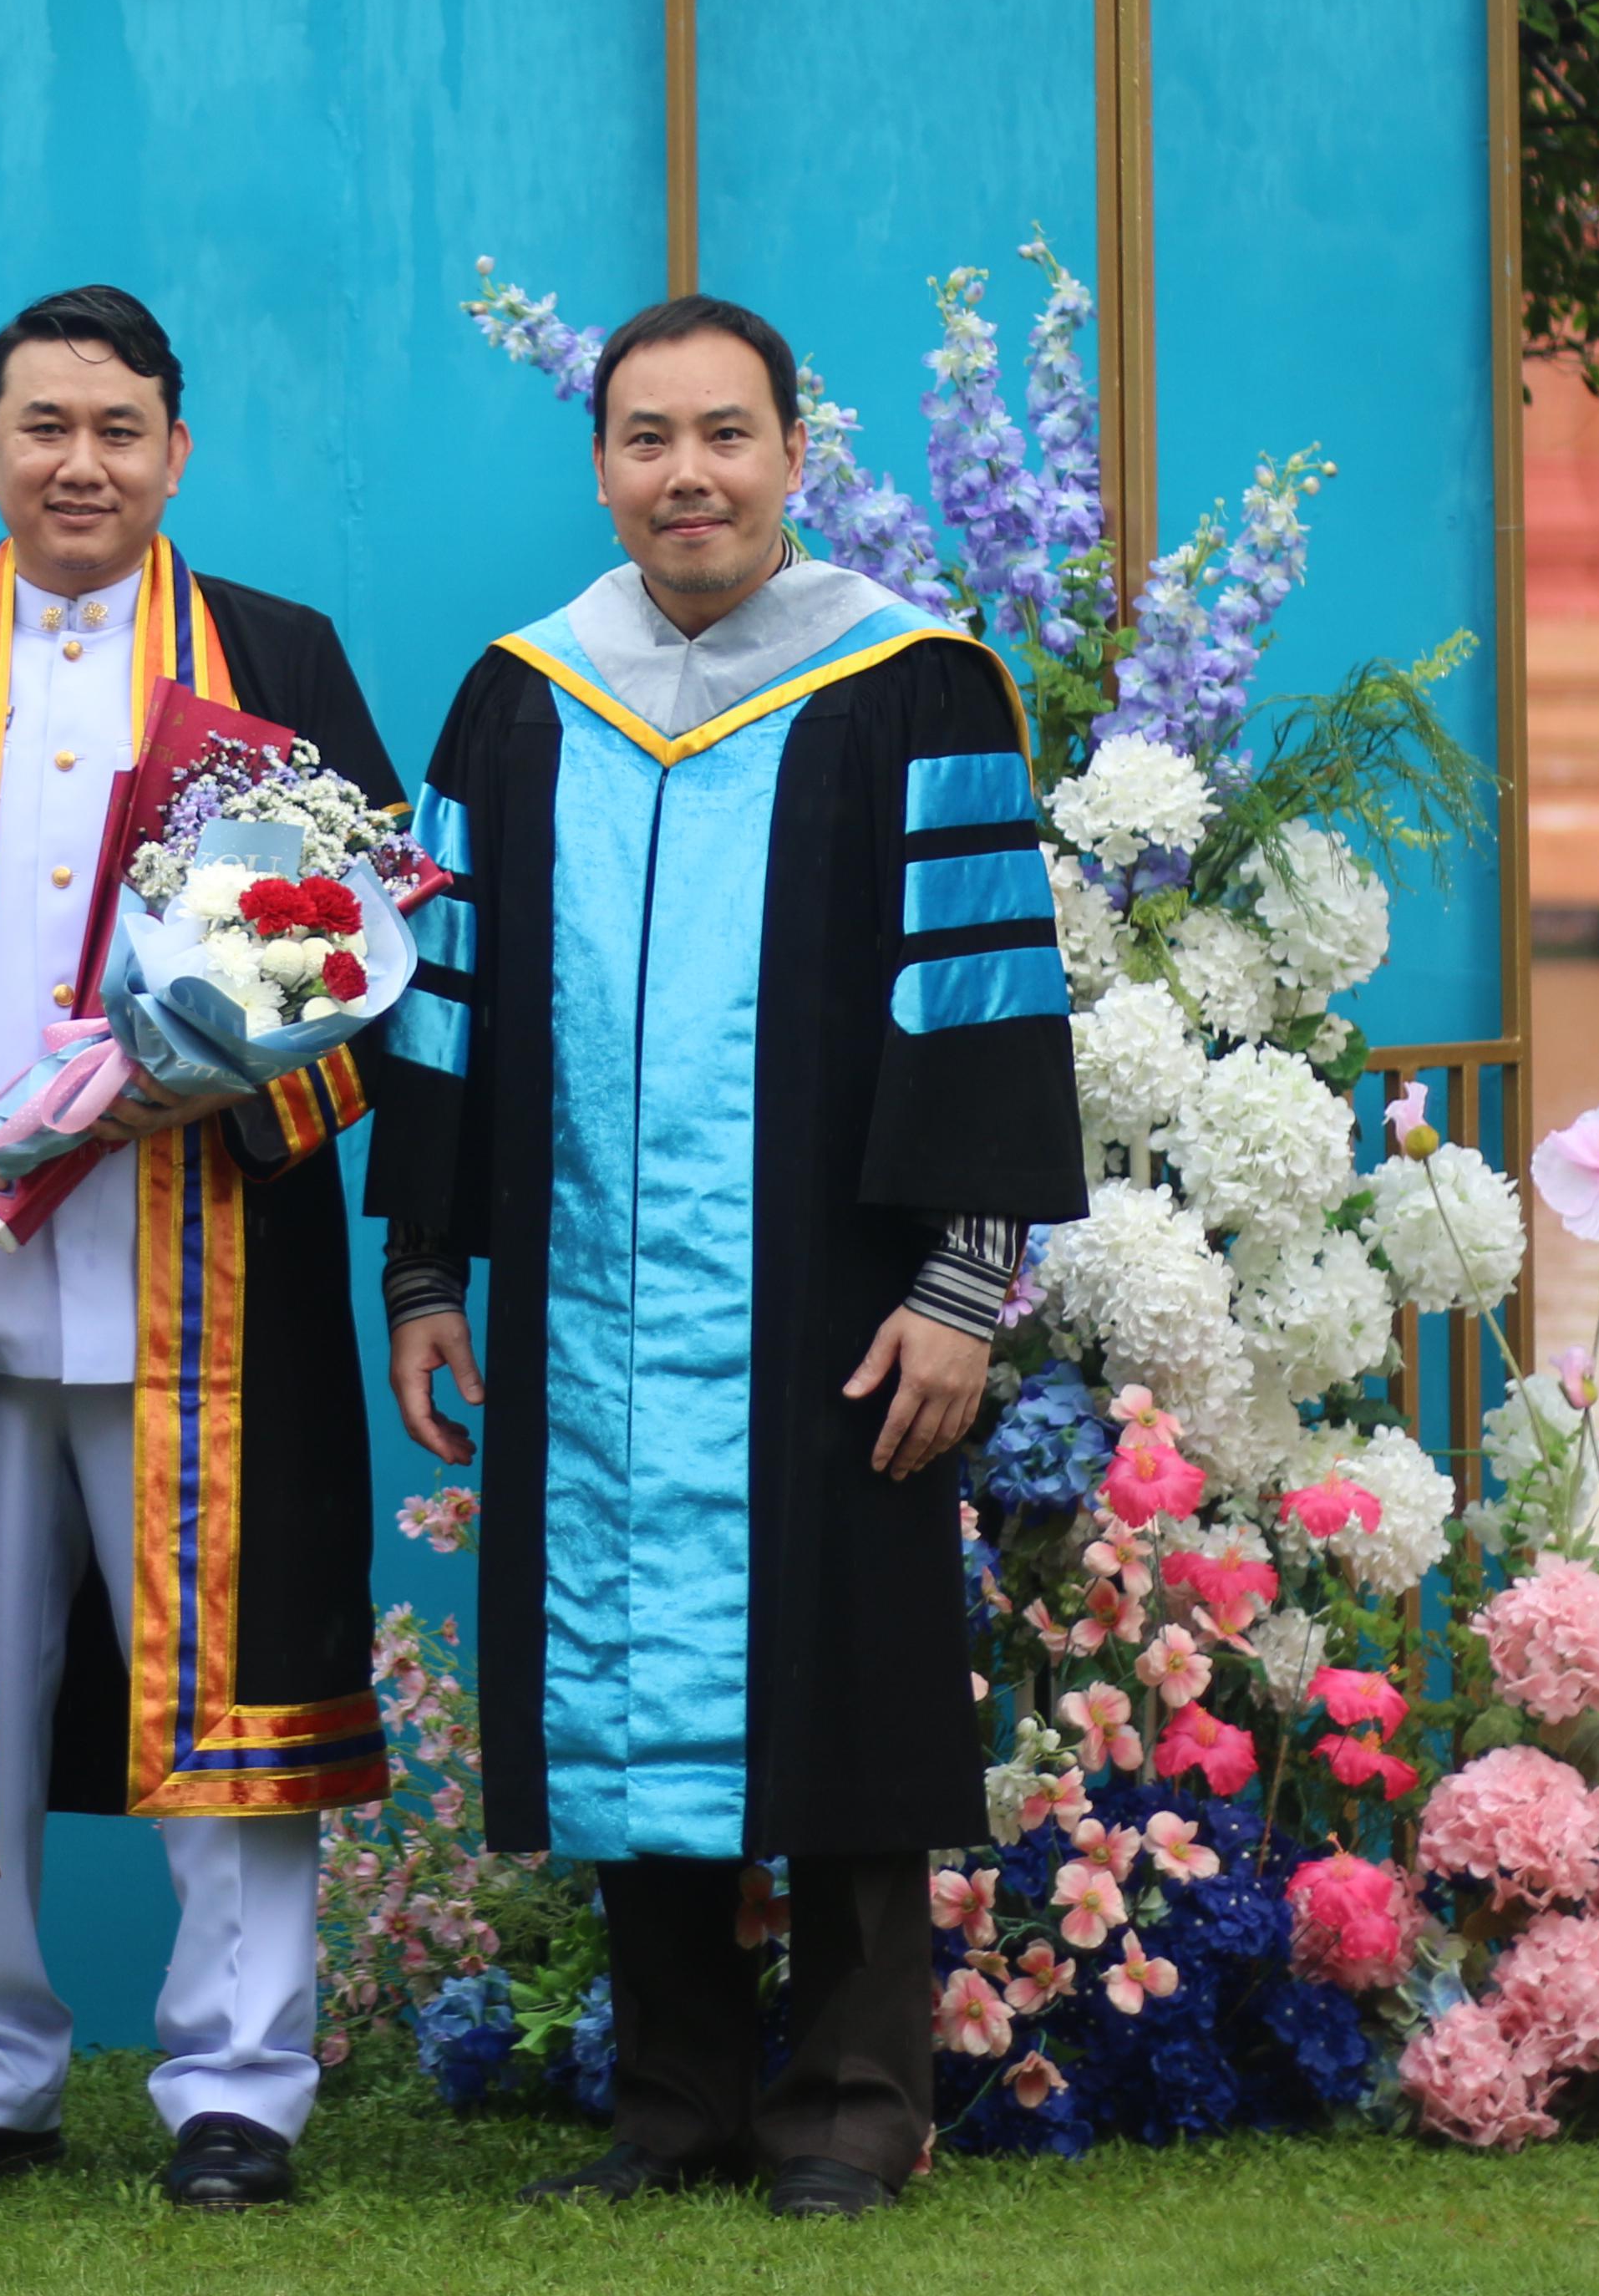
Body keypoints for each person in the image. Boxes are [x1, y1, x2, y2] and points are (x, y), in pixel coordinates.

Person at [364, 291, 1087, 2220]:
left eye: (725, 435)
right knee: (613, 1680)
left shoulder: (914, 685)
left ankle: (857, 2103)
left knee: (842, 1679)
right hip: (593, 1294)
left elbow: (986, 1004)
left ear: (793, 452)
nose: (686, 475)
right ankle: (671, 2099)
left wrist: (960, 1290)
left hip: (834, 1294)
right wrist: (428, 1269)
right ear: (601, 464)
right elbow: (445, 1001)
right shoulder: (525, 697)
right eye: (646, 439)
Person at [0, 286, 398, 2211]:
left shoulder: (276, 656)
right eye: (44, 425)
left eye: (119, 428)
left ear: (176, 453)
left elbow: (366, 937)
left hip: (204, 1267)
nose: (80, 462)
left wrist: (232, 1064)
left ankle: (241, 2083)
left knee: (229, 1683)